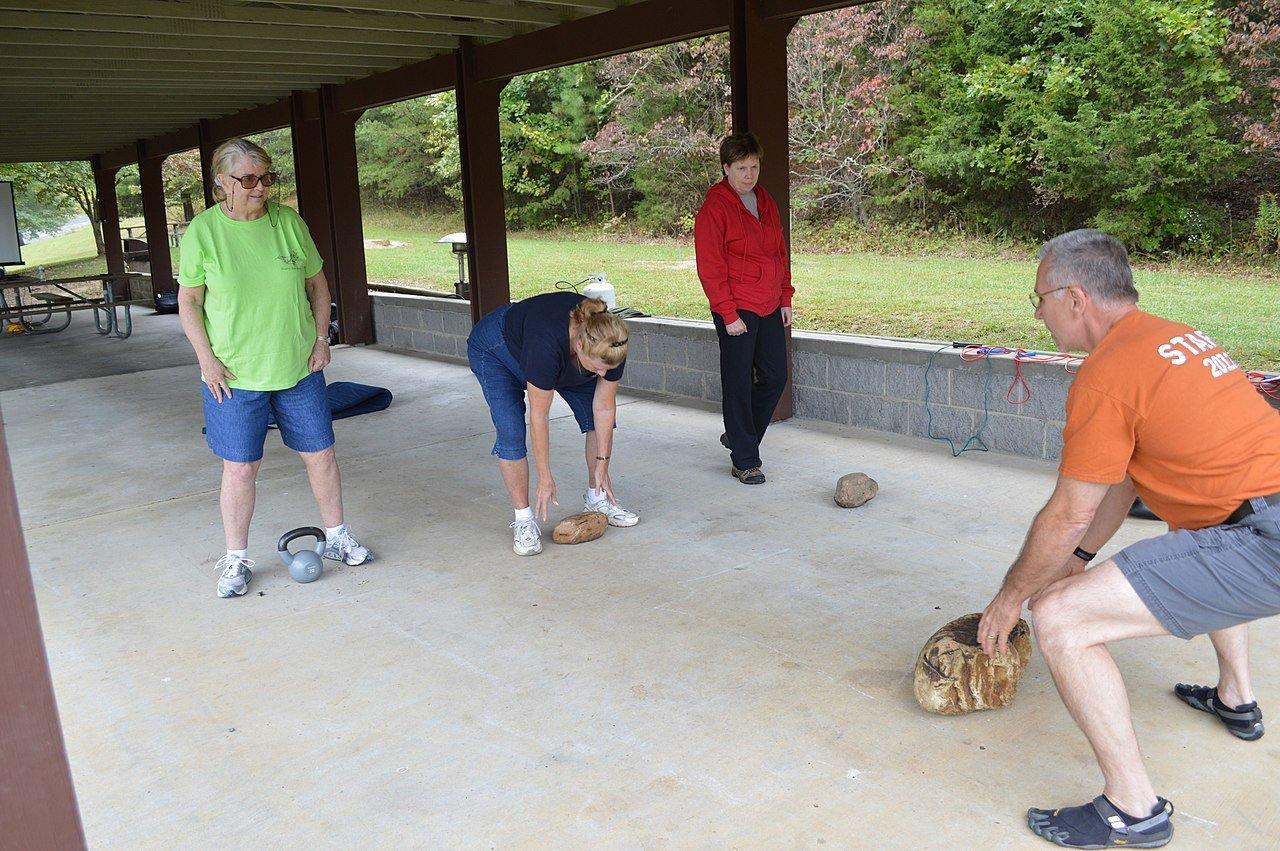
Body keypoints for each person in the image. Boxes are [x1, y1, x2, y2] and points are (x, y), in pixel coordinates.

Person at [976, 229, 1280, 848]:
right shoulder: (1171, 336)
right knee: (1195, 527)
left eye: (1039, 298)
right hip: (1250, 512)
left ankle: (1132, 807)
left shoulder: (1108, 374)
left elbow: (1066, 512)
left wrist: (1012, 598)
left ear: (1076, 299)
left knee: (1060, 615)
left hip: (1265, 538)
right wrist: (1082, 558)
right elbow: (1118, 479)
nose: (1037, 313)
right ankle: (1236, 697)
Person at [177, 137, 372, 599]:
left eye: (266, 178)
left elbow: (318, 288)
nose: (260, 187)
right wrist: (206, 359)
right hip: (233, 374)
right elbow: (189, 301)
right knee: (240, 468)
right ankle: (237, 559)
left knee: (321, 455)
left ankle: (337, 536)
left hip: (299, 365)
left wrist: (323, 340)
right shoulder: (203, 233)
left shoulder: (288, 222)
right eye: (248, 179)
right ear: (221, 182)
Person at [467, 291, 638, 555]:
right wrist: (544, 476)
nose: (604, 375)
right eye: (599, 368)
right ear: (579, 345)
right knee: (511, 431)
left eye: (608, 369)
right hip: (497, 349)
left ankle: (597, 498)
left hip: (561, 354)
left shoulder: (610, 344)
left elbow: (604, 408)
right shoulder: (545, 345)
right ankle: (523, 519)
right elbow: (539, 416)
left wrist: (602, 464)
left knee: (596, 418)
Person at [694, 132, 794, 485]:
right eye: (741, 168)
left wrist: (785, 296)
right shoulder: (715, 207)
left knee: (775, 376)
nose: (749, 175)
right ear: (726, 168)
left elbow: (779, 252)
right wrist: (727, 312)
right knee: (737, 381)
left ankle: (738, 435)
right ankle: (745, 460)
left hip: (768, 302)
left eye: (754, 167)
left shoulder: (764, 199)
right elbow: (710, 265)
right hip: (736, 305)